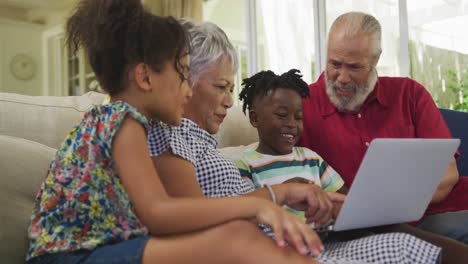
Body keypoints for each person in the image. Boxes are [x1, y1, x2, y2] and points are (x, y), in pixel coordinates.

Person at [26, 1, 329, 264]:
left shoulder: (116, 122)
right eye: (183, 74)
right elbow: (158, 213)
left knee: (237, 235)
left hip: (99, 249)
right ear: (144, 77)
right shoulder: (122, 122)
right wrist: (257, 206)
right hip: (73, 256)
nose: (188, 90)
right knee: (235, 239)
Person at [149, 20, 442, 264]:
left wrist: (291, 195)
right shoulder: (169, 135)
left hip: (286, 237)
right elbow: (193, 220)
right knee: (403, 249)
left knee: (402, 246)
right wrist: (280, 195)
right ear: (184, 78)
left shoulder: (200, 141)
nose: (228, 101)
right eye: (221, 87)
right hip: (265, 248)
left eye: (230, 88)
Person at [297, 12, 468, 244]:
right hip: (355, 231)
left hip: (440, 211)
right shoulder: (300, 106)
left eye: (355, 67)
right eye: (334, 64)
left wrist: (384, 206)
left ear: (376, 60)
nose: (342, 77)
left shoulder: (410, 94)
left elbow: (448, 175)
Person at [234, 69, 345, 225]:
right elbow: (243, 211)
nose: (292, 124)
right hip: (275, 243)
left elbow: (343, 198)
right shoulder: (244, 163)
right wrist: (285, 191)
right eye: (281, 115)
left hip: (323, 239)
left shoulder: (311, 159)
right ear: (255, 118)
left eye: (298, 117)